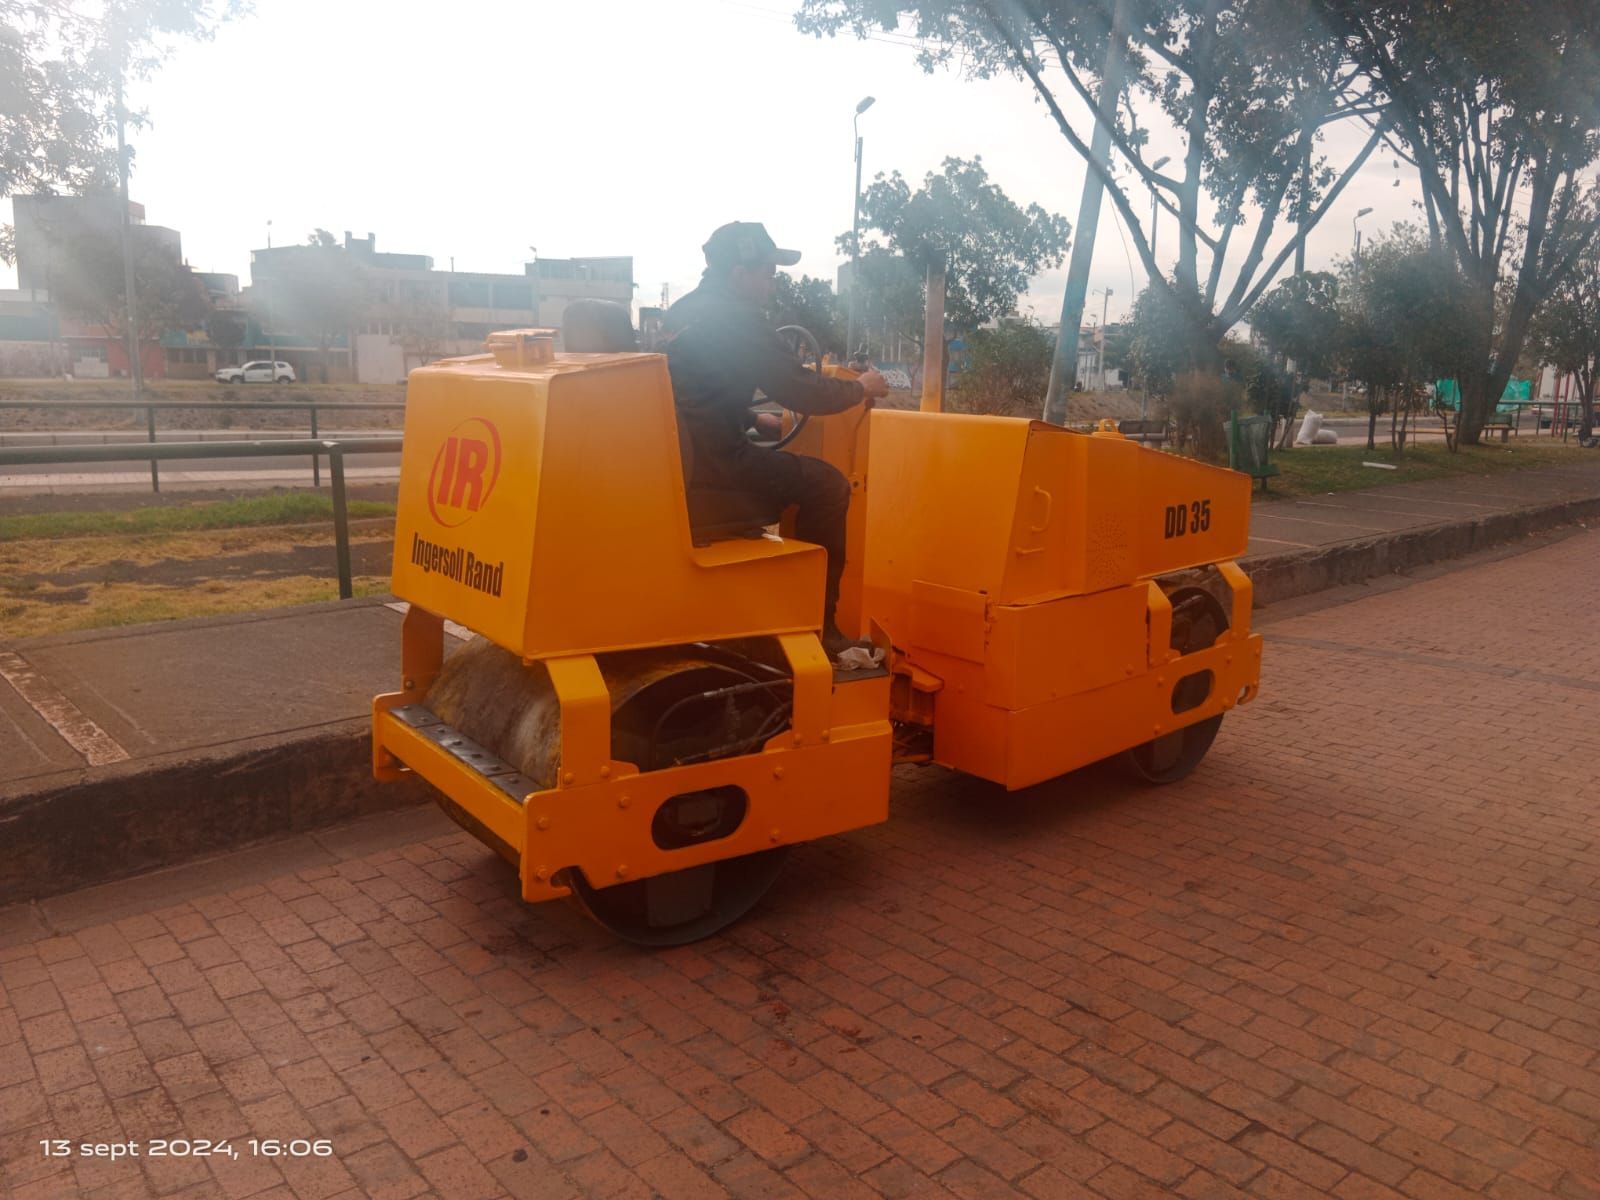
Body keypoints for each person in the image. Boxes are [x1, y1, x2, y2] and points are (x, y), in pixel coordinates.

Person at [663, 222, 890, 657]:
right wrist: (862, 386)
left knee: (794, 473)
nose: (773, 281)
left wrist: (755, 419)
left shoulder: (685, 312)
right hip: (719, 468)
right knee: (828, 485)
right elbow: (804, 392)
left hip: (684, 459)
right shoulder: (738, 321)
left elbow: (693, 392)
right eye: (767, 272)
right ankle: (820, 627)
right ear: (738, 274)